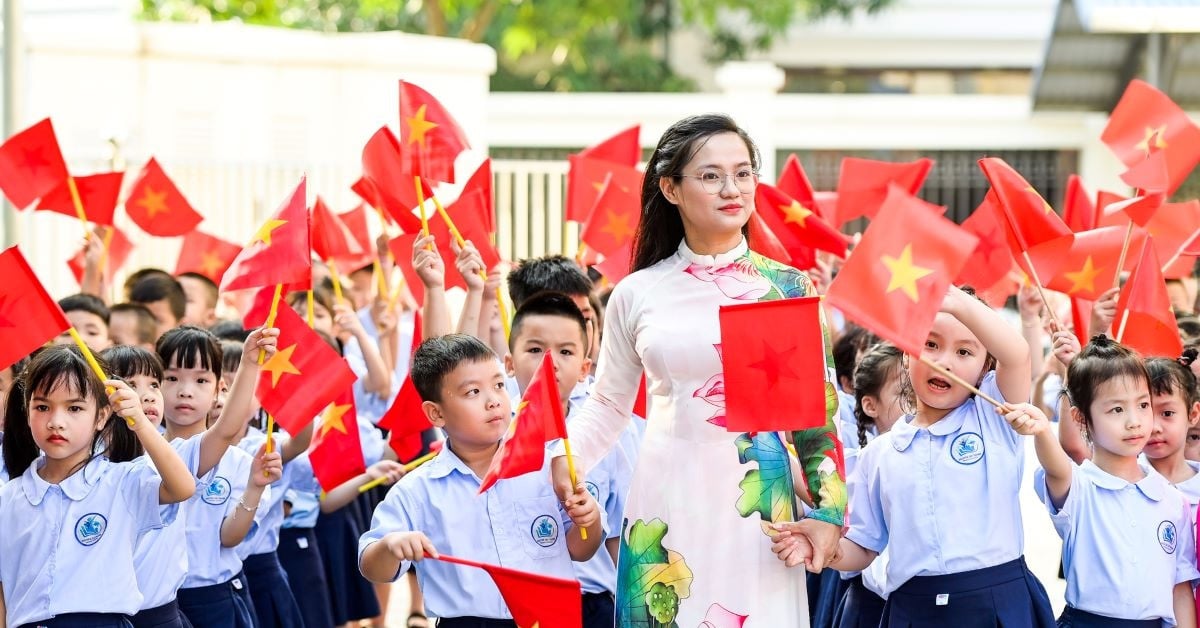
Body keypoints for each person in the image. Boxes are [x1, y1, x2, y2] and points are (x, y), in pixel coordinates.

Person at [549, 113, 845, 625]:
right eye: (710, 175)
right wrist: (565, 455)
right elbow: (608, 403)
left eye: (744, 172)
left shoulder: (787, 288)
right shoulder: (637, 292)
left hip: (759, 506)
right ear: (670, 188)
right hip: (666, 498)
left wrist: (828, 515)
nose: (732, 189)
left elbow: (816, 420)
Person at [793, 285, 1056, 627]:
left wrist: (957, 303)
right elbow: (864, 546)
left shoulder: (994, 414)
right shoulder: (879, 454)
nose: (944, 361)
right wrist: (827, 549)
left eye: (964, 352)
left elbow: (1018, 354)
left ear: (985, 368)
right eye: (930, 344)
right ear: (905, 353)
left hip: (996, 601)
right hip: (912, 610)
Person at [359, 334, 603, 626]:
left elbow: (581, 549)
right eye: (473, 392)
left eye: (499, 385)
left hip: (549, 618)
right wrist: (389, 545)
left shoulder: (546, 467)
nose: (493, 401)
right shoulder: (416, 491)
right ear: (435, 413)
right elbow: (372, 567)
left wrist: (588, 520)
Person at [0, 345, 195, 627]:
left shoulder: (122, 482)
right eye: (42, 407)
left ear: (102, 416)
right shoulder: (9, 497)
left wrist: (139, 422)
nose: (56, 422)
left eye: (75, 408)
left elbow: (182, 487)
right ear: (27, 411)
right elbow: (4, 589)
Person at [1027, 337, 1199, 626]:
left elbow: (1180, 589)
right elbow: (1057, 466)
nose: (1135, 421)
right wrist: (1041, 430)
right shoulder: (1079, 487)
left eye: (1143, 405)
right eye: (1117, 410)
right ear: (1081, 419)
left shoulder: (1173, 501)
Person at [506, 292, 630, 628]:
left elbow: (619, 537)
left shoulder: (604, 443)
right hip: (513, 607)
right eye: (535, 350)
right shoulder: (492, 442)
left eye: (565, 351)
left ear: (584, 369)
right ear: (508, 362)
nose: (550, 362)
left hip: (590, 606)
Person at [157, 326, 283, 628]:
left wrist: (254, 487)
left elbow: (230, 537)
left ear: (219, 389)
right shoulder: (140, 454)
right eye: (171, 378)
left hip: (214, 598)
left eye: (201, 380)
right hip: (157, 604)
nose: (185, 390)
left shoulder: (239, 461)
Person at [831, 342, 904, 628]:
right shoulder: (865, 459)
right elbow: (818, 489)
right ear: (870, 404)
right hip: (873, 602)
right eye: (904, 392)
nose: (915, 400)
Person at [1143, 352, 1200, 506]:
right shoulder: (1122, 482)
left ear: (1193, 414)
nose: (1154, 428)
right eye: (1143, 411)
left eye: (1167, 413)